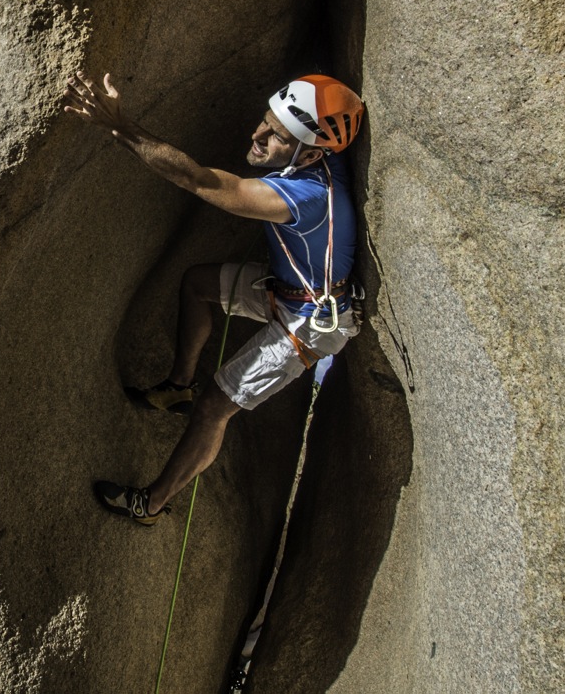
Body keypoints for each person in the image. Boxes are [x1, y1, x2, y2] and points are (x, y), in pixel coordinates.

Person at [63, 71, 364, 525]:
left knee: (215, 408)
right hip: (290, 290)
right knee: (198, 284)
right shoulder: (322, 161)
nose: (257, 135)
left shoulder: (304, 197)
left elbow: (199, 180)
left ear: (313, 151)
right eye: (265, 122)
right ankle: (178, 387)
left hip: (312, 321)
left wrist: (119, 124)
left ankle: (151, 504)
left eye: (275, 137)